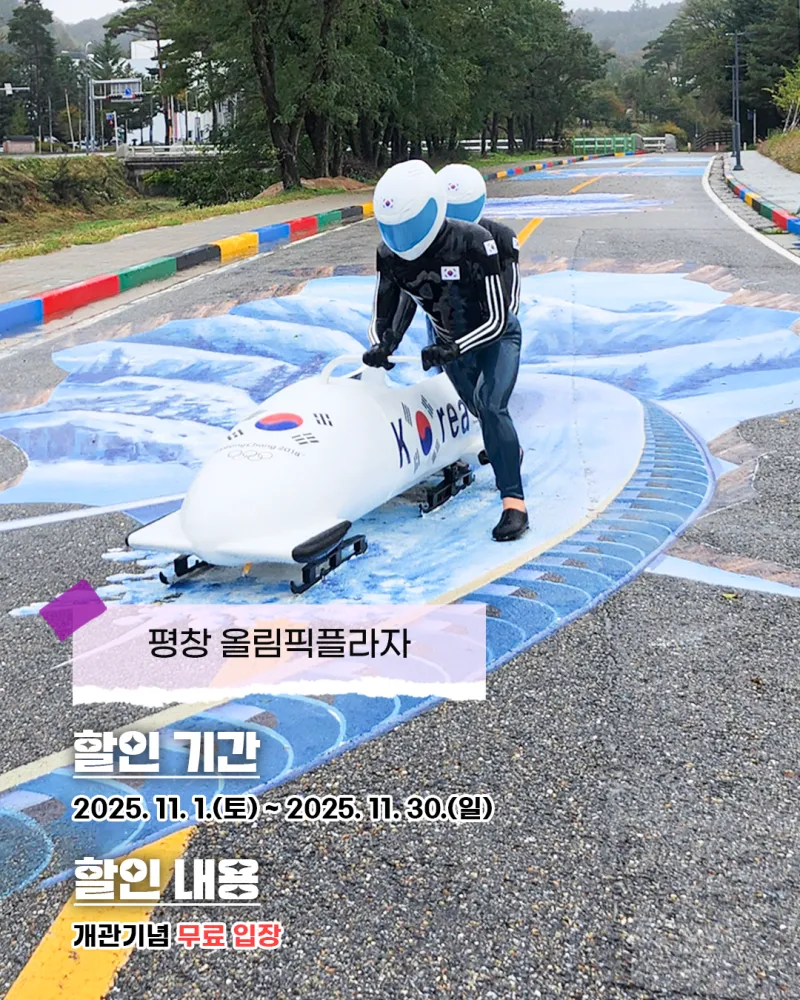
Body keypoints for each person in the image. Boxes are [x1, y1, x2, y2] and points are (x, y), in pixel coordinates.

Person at [362, 159, 528, 542]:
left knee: (490, 404)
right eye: (394, 229)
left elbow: (499, 316)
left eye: (410, 226)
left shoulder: (475, 242)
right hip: (448, 346)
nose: (402, 239)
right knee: (479, 411)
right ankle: (508, 451)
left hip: (495, 338)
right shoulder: (389, 255)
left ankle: (514, 505)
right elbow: (389, 307)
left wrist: (455, 347)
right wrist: (382, 344)